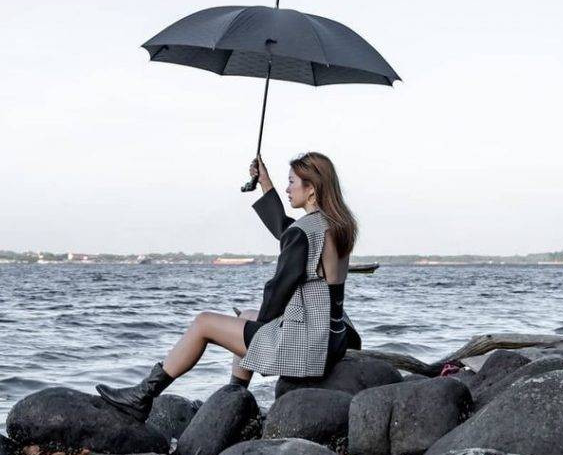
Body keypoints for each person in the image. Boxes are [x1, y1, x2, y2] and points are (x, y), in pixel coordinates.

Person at [94, 151, 362, 421]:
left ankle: (142, 397)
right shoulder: (335, 225)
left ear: (311, 188)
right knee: (245, 316)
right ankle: (232, 401)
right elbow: (286, 231)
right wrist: (264, 183)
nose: (287, 188)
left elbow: (277, 291)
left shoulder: (304, 231)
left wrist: (259, 330)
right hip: (332, 337)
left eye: (292, 182)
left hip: (310, 346)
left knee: (204, 323)